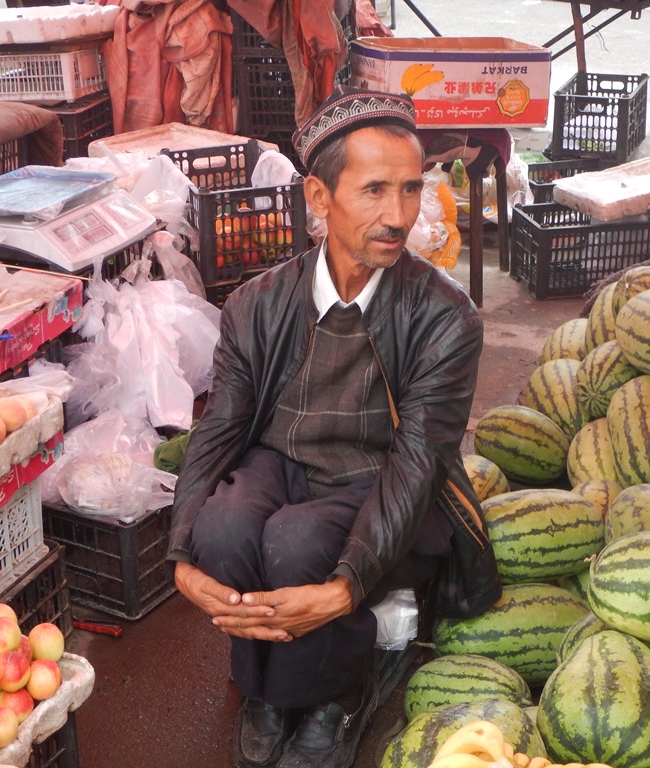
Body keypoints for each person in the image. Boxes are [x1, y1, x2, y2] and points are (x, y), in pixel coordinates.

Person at [166, 86, 500, 768]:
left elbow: (418, 464)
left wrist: (346, 587)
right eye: (374, 190)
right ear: (319, 199)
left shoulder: (445, 318)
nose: (399, 215)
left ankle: (334, 697)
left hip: (383, 479)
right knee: (222, 529)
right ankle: (266, 690)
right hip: (282, 460)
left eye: (411, 190)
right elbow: (221, 429)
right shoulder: (257, 303)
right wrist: (178, 553)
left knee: (297, 542)